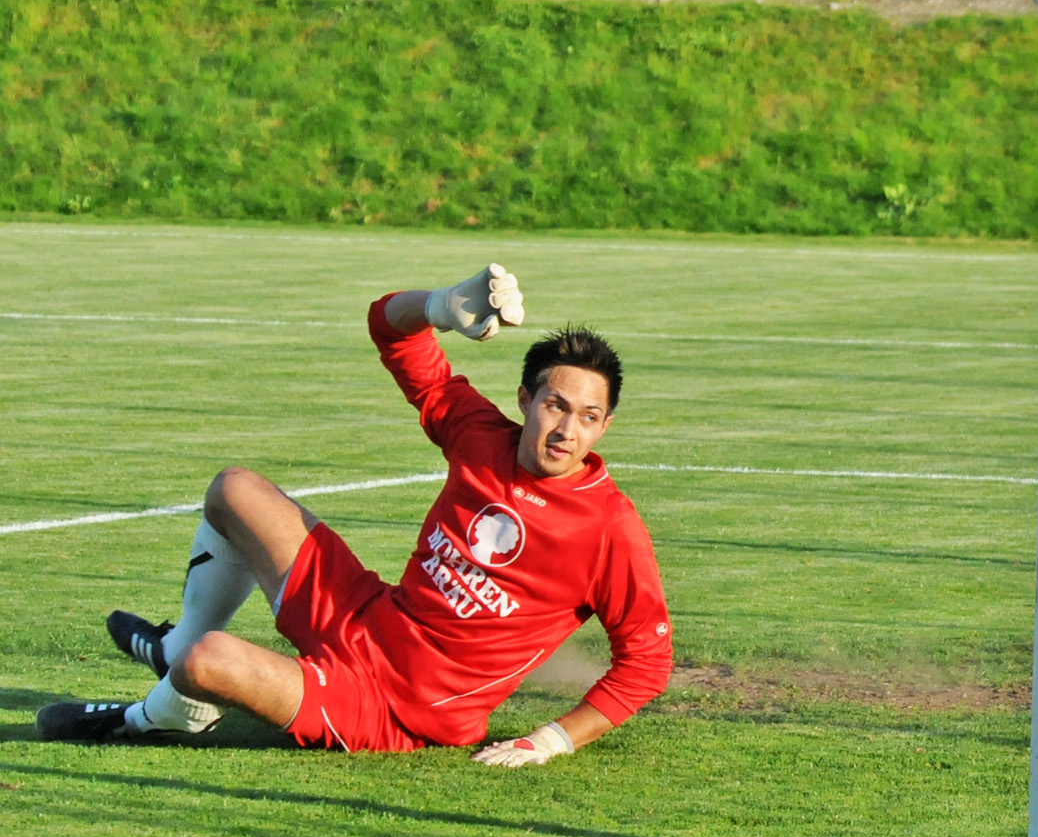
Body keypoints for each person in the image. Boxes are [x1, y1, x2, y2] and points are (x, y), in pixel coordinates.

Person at [38, 264, 673, 764]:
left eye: (589, 417)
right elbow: (390, 329)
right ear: (525, 400)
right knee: (234, 490)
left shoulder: (609, 526)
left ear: (604, 426)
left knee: (212, 661)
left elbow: (645, 662)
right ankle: (173, 651)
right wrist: (440, 305)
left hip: (394, 707)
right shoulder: (483, 437)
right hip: (367, 617)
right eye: (555, 405)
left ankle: (151, 717)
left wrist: (552, 739)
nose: (567, 430)